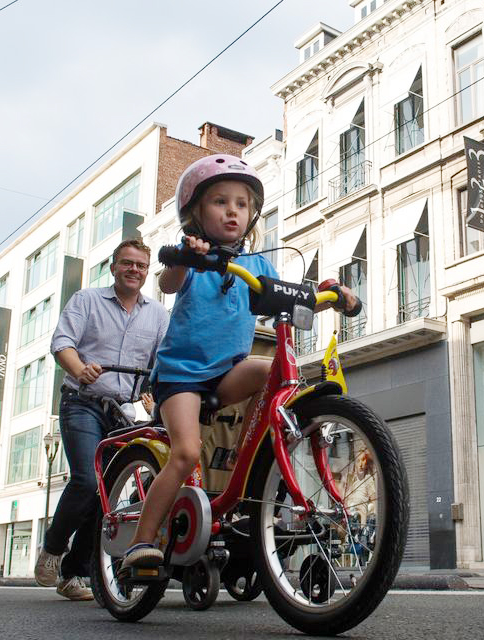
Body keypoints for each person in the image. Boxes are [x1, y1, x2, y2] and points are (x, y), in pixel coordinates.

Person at [119, 154, 359, 574]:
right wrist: (181, 257)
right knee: (186, 453)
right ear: (196, 213)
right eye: (220, 202)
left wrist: (330, 291)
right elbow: (168, 282)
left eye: (242, 204)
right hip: (181, 378)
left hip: (227, 373)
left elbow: (292, 293)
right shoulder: (194, 259)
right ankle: (142, 541)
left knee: (273, 376)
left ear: (251, 216)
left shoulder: (258, 264)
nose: (232, 211)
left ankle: (248, 458)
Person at [33, 237, 170, 601]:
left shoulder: (158, 315)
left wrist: (152, 388)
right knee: (85, 479)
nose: (134, 270)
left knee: (106, 496)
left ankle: (74, 574)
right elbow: (62, 343)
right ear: (113, 267)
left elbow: (162, 361)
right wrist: (80, 370)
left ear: (147, 271)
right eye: (127, 263)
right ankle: (52, 549)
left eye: (140, 265)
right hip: (83, 401)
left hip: (122, 414)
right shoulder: (87, 300)